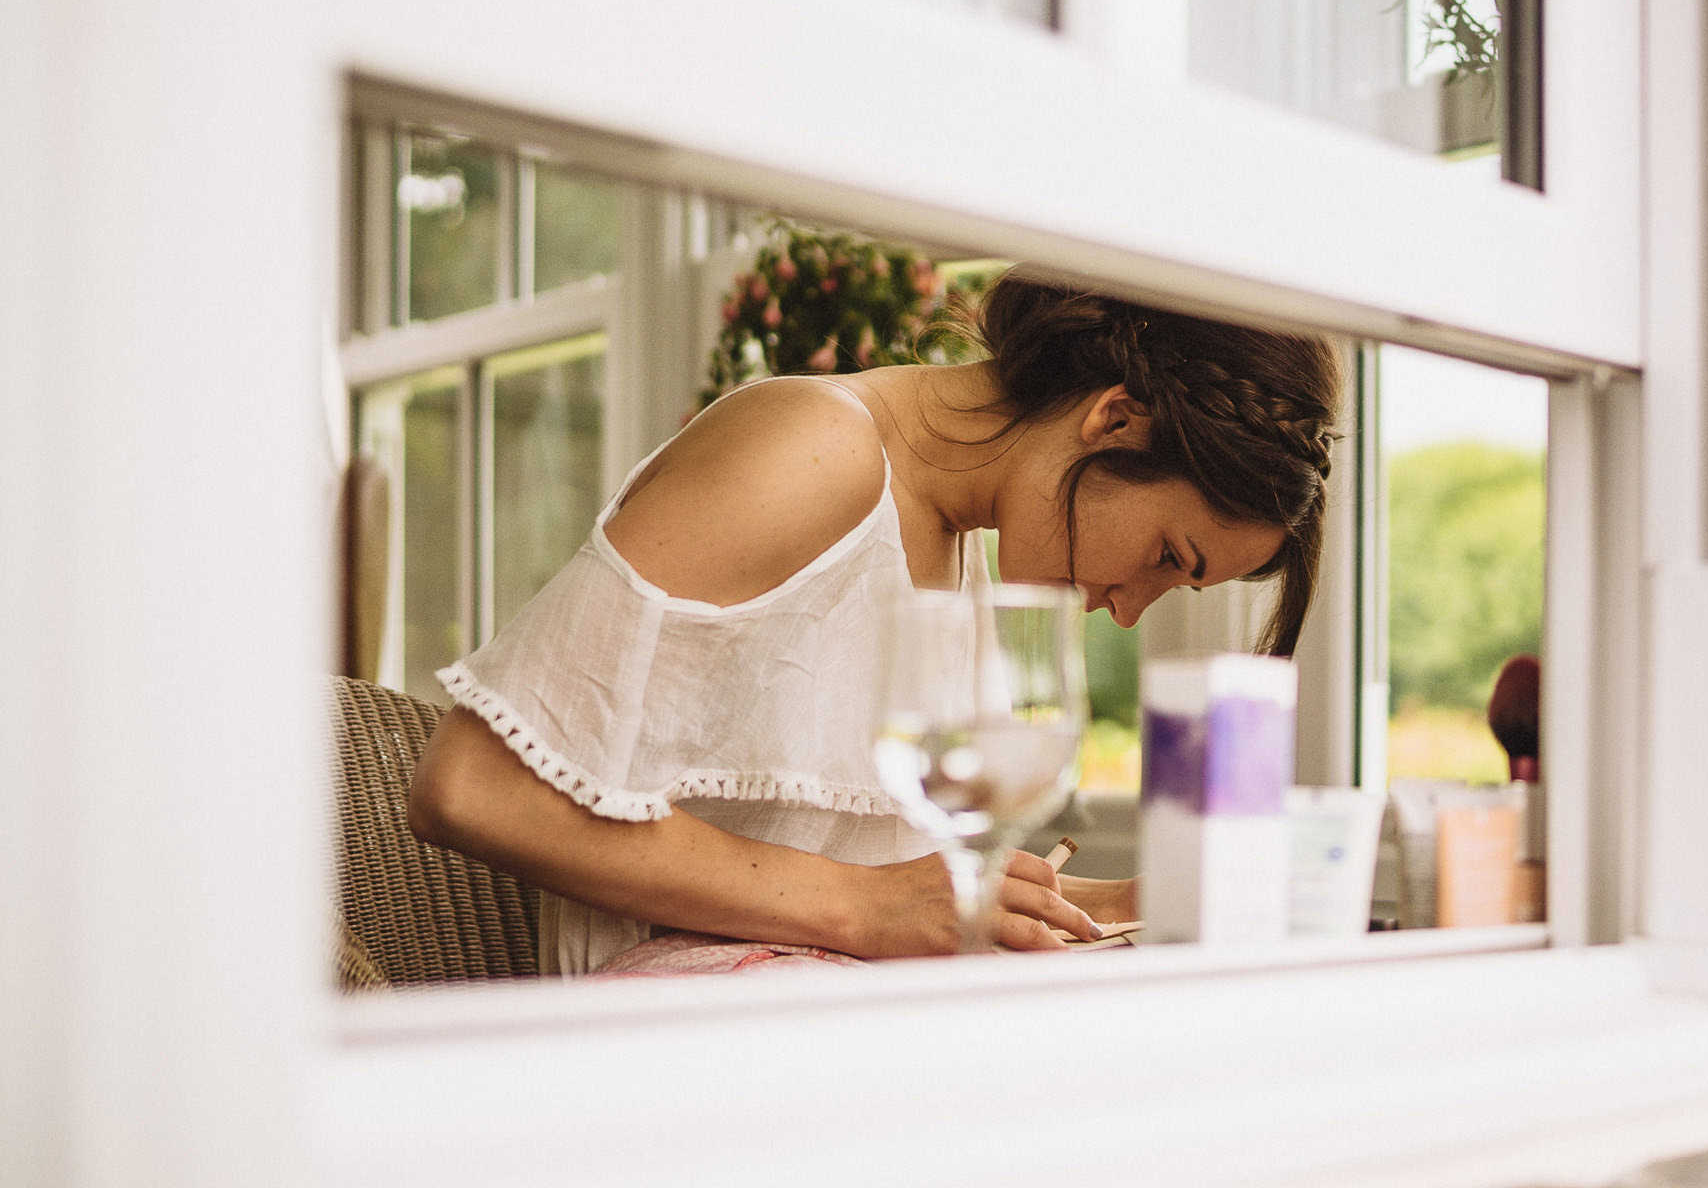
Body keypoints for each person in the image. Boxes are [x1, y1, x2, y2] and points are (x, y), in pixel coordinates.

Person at [408, 270, 1339, 974]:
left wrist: (1153, 897)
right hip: (681, 1044)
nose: (1131, 612)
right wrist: (861, 908)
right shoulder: (811, 451)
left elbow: (883, 877)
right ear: (1115, 419)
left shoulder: (965, 544)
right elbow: (472, 788)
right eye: (1168, 558)